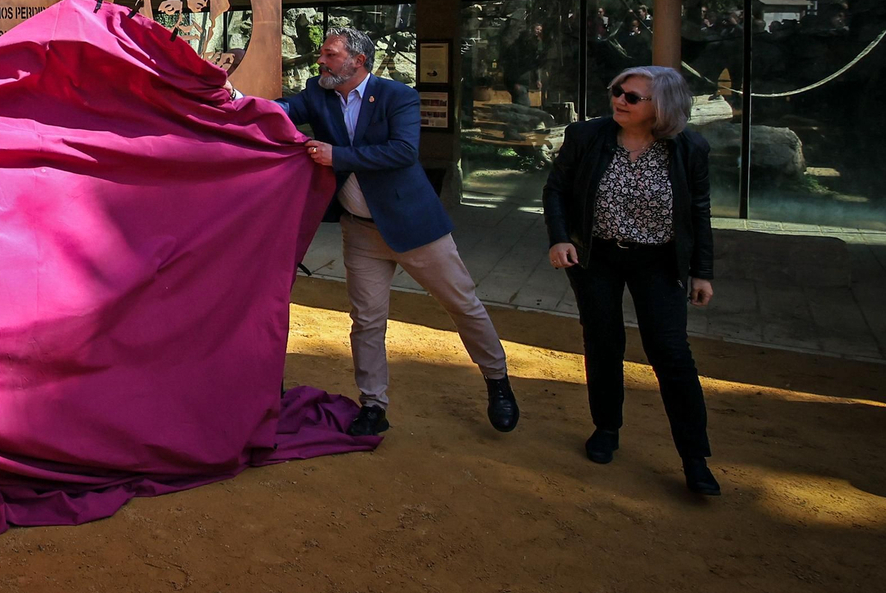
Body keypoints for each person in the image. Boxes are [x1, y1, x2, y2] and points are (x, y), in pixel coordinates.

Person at [238, 27, 520, 437]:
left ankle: (498, 381)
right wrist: (235, 103)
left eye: (330, 55)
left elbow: (404, 151)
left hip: (416, 228)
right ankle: (374, 405)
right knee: (367, 320)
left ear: (358, 61)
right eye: (322, 54)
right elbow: (282, 110)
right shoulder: (317, 93)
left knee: (463, 305)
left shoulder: (397, 96)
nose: (321, 61)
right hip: (361, 233)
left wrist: (338, 156)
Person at [542, 66, 720, 496]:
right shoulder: (588, 136)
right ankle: (606, 428)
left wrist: (702, 271)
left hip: (658, 261)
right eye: (618, 91)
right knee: (603, 342)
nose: (620, 100)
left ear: (663, 107)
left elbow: (699, 211)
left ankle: (695, 459)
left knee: (671, 353)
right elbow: (556, 190)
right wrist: (561, 238)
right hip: (597, 257)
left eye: (633, 97)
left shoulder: (689, 147)